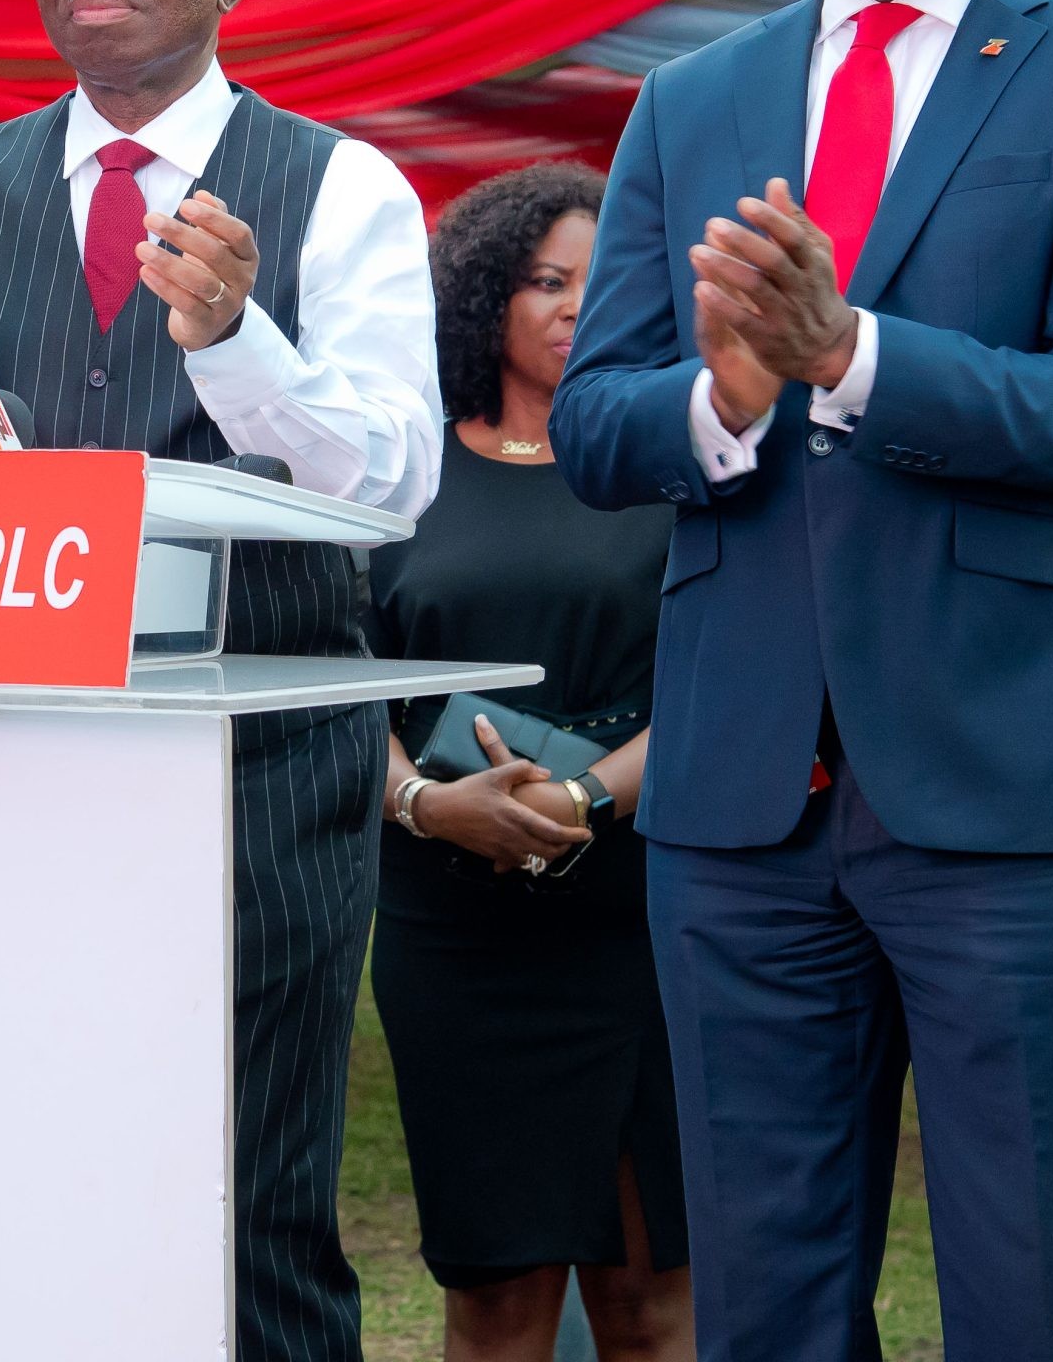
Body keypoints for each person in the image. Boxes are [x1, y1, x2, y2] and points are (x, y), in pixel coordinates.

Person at [551, 0, 1053, 1362]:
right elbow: (595, 421)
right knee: (766, 1302)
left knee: (1038, 1288)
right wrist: (726, 398)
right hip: (740, 797)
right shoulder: (690, 103)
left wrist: (851, 354)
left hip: (1009, 781)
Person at [0, 0, 442, 1362]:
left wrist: (237, 338)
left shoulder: (342, 187)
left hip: (257, 787)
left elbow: (389, 485)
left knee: (244, 1214)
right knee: (9, 1190)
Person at [371, 162, 690, 1362]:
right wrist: (423, 800)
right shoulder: (398, 469)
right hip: (453, 937)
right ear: (482, 297)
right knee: (494, 1304)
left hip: (638, 922)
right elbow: (335, 685)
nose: (573, 306)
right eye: (545, 280)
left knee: (651, 1301)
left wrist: (577, 795)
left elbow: (721, 686)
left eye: (601, 282)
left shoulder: (677, 469)